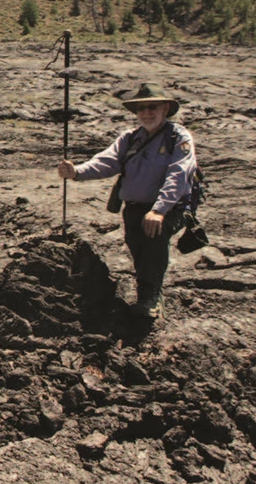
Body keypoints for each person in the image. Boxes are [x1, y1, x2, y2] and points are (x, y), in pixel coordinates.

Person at [57, 82, 198, 320]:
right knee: (137, 247)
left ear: (165, 108)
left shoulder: (178, 137)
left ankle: (151, 297)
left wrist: (159, 210)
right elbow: (107, 161)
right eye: (141, 108)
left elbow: (178, 174)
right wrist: (76, 172)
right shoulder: (130, 138)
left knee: (153, 240)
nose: (146, 113)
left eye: (152, 107)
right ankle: (147, 290)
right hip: (134, 207)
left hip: (170, 208)